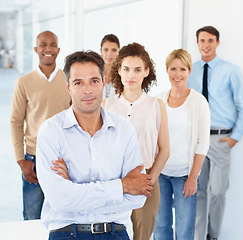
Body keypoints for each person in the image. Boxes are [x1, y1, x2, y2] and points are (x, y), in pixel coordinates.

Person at [36, 50, 153, 240]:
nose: (87, 90)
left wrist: (75, 188)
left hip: (115, 234)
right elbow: (60, 200)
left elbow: (137, 197)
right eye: (78, 83)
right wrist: (122, 185)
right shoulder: (51, 131)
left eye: (94, 81)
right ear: (68, 87)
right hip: (67, 234)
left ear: (103, 83)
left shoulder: (124, 129)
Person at [187, 26, 243, 240]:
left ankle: (213, 235)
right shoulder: (189, 70)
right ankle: (198, 236)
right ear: (197, 43)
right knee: (198, 192)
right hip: (196, 139)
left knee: (217, 191)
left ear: (217, 43)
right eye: (202, 40)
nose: (206, 44)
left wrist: (234, 138)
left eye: (211, 40)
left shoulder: (230, 71)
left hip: (220, 138)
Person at [103, 42, 170, 240]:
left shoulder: (156, 105)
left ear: (146, 72)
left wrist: (151, 179)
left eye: (137, 70)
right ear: (119, 71)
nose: (131, 75)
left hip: (147, 179)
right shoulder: (108, 106)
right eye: (126, 69)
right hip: (115, 180)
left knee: (142, 236)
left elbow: (165, 149)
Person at [10, 30, 71, 220]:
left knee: (63, 216)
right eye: (43, 45)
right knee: (32, 216)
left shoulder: (69, 80)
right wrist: (21, 160)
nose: (48, 49)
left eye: (53, 44)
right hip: (33, 159)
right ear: (36, 49)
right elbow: (16, 121)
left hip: (63, 158)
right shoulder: (24, 82)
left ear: (58, 50)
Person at [153, 49, 210, 240]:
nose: (178, 74)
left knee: (185, 230)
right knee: (161, 228)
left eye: (182, 69)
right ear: (167, 70)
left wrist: (193, 177)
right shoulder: (159, 99)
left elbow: (203, 143)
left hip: (185, 176)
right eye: (173, 69)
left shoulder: (198, 101)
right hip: (161, 174)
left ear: (189, 71)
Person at [100, 34, 120, 98]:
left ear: (118, 52)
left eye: (113, 50)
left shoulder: (123, 75)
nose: (109, 54)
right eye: (106, 50)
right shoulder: (94, 73)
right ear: (101, 51)